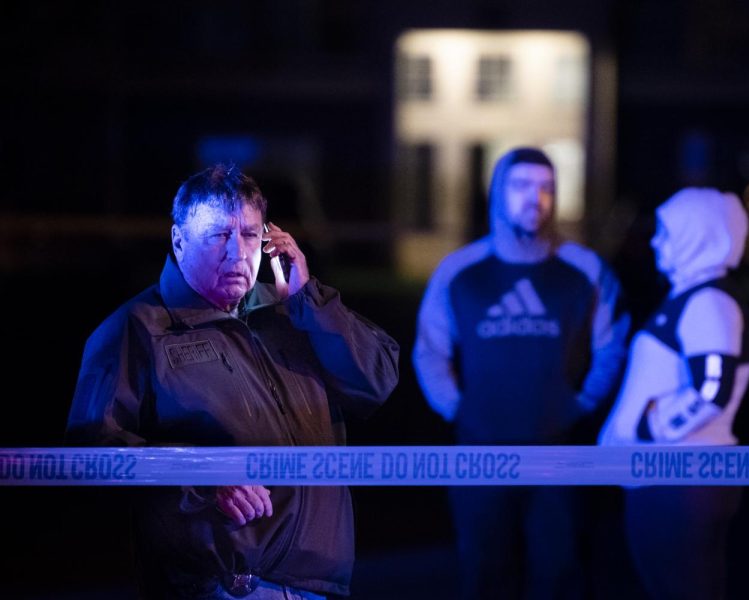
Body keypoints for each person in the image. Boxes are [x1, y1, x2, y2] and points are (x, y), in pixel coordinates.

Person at [66, 164, 400, 599]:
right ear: (179, 240)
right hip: (224, 587)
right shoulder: (139, 329)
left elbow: (376, 380)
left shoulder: (293, 313)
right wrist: (203, 479)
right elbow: (92, 453)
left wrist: (310, 301)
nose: (238, 254)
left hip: (319, 585)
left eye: (249, 235)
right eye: (219, 236)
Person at [413, 147, 630, 599]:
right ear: (497, 194)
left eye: (546, 187)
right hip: (479, 454)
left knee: (561, 578)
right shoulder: (461, 271)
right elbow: (430, 349)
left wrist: (582, 403)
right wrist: (460, 408)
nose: (536, 198)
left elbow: (612, 346)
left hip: (559, 455)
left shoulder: (585, 270)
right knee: (484, 577)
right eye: (521, 186)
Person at [598, 187, 749, 600]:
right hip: (671, 479)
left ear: (697, 234)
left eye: (666, 232)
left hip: (680, 481)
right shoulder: (696, 297)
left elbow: (711, 390)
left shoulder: (710, 303)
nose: (653, 242)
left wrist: (649, 430)